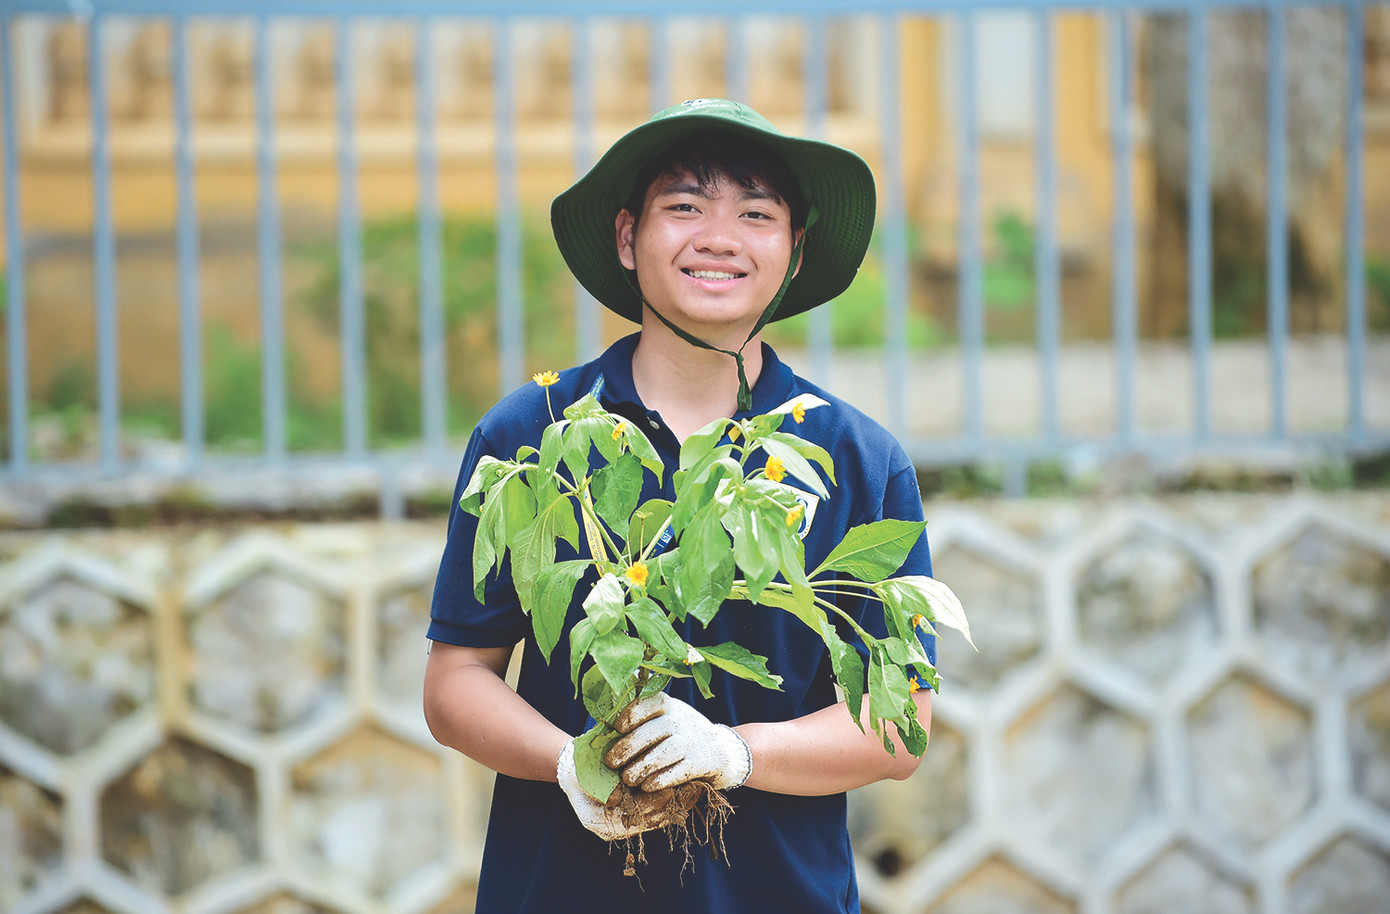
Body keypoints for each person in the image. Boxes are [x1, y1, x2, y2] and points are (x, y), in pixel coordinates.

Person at [424, 98, 935, 913]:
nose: (719, 237)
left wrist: (734, 754)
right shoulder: (531, 438)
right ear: (628, 238)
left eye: (756, 214)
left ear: (795, 252)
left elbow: (898, 726)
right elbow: (455, 681)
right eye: (686, 206)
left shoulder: (856, 461)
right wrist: (566, 762)